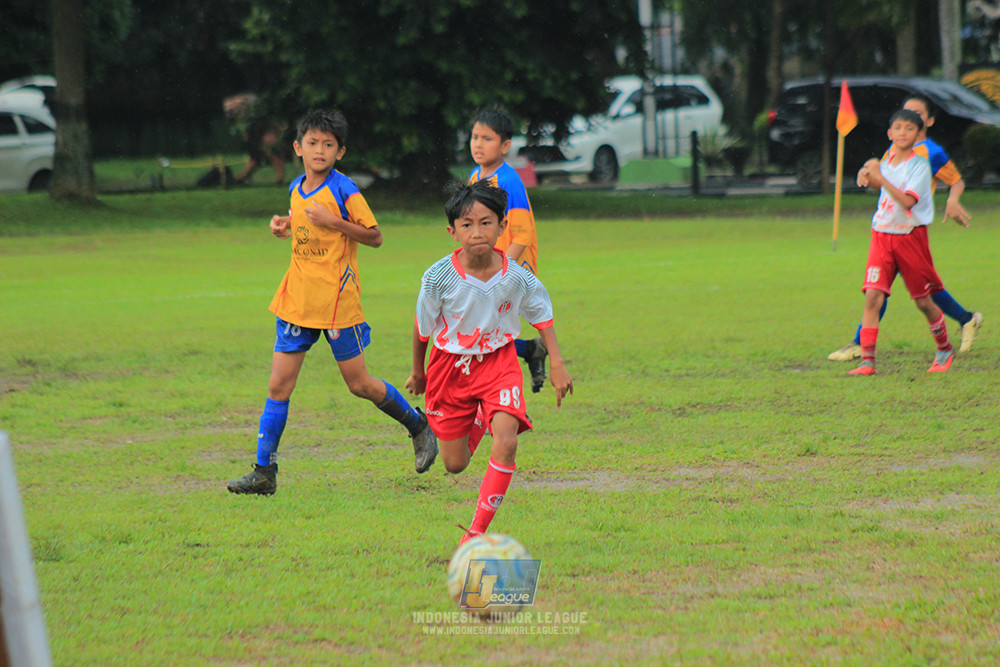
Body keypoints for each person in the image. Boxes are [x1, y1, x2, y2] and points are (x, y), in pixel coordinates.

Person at [227, 110, 438, 495]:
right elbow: (303, 219)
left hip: (338, 303)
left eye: (328, 145)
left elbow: (374, 237)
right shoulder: (296, 186)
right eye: (312, 143)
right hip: (297, 300)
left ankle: (417, 424)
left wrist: (334, 221)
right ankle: (263, 472)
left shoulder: (345, 191)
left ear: (340, 152)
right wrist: (284, 224)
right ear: (297, 148)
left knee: (359, 385)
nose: (319, 150)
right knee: (278, 386)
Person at [405, 181, 573, 544]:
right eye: (467, 225)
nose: (477, 232)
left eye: (486, 223)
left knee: (507, 441)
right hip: (450, 368)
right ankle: (482, 414)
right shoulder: (438, 277)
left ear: (501, 226)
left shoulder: (515, 276)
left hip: (499, 362)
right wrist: (418, 372)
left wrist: (556, 361)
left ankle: (475, 532)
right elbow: (422, 329)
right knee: (455, 463)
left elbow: (542, 314)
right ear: (452, 232)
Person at [828, 93, 982, 362]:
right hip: (888, 228)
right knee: (881, 289)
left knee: (924, 292)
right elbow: (883, 170)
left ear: (928, 122)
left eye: (917, 116)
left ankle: (962, 324)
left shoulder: (931, 153)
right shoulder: (897, 148)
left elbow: (956, 180)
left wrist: (953, 201)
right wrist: (868, 169)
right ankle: (860, 344)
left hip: (911, 230)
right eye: (904, 115)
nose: (908, 120)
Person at [848, 108, 955, 376]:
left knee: (922, 301)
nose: (903, 133)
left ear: (919, 134)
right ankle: (867, 361)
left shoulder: (919, 166)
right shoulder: (886, 161)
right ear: (889, 133)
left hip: (910, 237)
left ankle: (944, 349)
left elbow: (907, 201)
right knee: (873, 296)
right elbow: (878, 178)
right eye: (898, 128)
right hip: (881, 235)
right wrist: (866, 172)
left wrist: (879, 178)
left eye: (909, 129)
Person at [467, 107, 549, 393]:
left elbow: (522, 234)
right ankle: (529, 350)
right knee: (480, 330)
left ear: (504, 146)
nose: (478, 144)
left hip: (510, 267)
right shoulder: (475, 175)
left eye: (486, 139)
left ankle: (498, 394)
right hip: (486, 266)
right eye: (475, 137)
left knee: (481, 330)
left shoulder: (509, 180)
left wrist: (500, 269)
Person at [223, 93, 292, 185]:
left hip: (261, 125)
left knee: (268, 151)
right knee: (258, 156)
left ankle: (279, 176)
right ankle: (244, 177)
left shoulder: (247, 106)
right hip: (257, 127)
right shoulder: (239, 110)